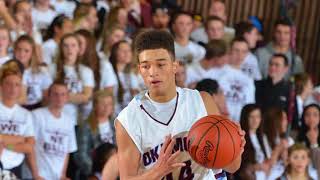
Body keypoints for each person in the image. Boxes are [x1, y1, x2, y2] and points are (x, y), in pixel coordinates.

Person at [115, 29, 245, 180]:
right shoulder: (127, 119)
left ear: (174, 66)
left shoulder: (202, 101)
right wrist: (157, 172)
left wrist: (235, 146)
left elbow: (232, 167)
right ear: (139, 70)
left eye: (160, 65)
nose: (153, 72)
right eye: (146, 66)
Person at [0, 60, 42, 179]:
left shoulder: (26, 115)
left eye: (17, 84)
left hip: (15, 170)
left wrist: (6, 144)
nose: (13, 88)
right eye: (8, 84)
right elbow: (24, 143)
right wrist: (19, 139)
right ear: (1, 85)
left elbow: (29, 147)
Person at [32, 80, 77, 180]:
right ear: (49, 96)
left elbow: (67, 151)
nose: (59, 98)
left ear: (67, 97)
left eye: (63, 94)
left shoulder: (69, 121)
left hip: (57, 177)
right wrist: (35, 174)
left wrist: (63, 174)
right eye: (55, 94)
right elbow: (29, 146)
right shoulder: (36, 115)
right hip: (38, 175)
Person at [74, 90, 115, 178]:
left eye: (109, 104)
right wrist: (96, 171)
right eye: (102, 104)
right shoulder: (86, 127)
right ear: (95, 106)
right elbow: (81, 155)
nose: (106, 107)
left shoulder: (116, 124)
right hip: (94, 173)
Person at [14, 35, 52, 110]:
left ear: (32, 53)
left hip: (37, 108)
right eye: (19, 49)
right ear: (14, 50)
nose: (22, 54)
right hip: (16, 108)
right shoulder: (8, 69)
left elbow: (47, 97)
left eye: (26, 51)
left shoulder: (41, 71)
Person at [237, 104, 272, 180]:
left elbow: (268, 161)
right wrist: (256, 167)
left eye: (258, 116)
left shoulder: (263, 137)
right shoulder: (239, 138)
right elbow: (239, 168)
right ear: (245, 118)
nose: (255, 120)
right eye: (251, 117)